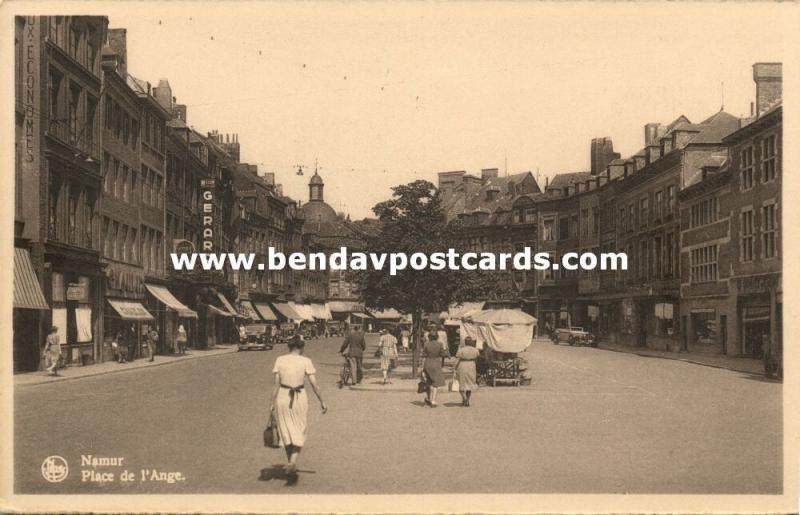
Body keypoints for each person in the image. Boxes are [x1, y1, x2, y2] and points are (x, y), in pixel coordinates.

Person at [269, 335, 327, 484]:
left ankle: (290, 462)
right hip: (299, 397)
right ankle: (293, 461)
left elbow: (276, 385)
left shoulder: (280, 360)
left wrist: (271, 403)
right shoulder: (305, 361)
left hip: (282, 396)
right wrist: (322, 401)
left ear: (289, 347)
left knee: (286, 430)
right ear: (301, 348)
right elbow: (314, 384)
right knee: (300, 429)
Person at [422, 331, 448, 407]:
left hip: (428, 362)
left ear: (429, 337)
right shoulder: (440, 344)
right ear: (437, 337)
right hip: (436, 363)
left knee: (429, 381)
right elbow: (442, 354)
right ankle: (433, 400)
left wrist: (422, 366)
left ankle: (429, 398)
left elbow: (424, 355)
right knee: (436, 383)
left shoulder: (426, 344)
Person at [453, 337, 480, 407]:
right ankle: (467, 399)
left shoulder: (461, 350)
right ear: (471, 342)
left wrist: (454, 368)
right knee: (470, 383)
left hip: (462, 365)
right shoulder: (475, 350)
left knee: (461, 383)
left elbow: (457, 359)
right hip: (471, 365)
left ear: (465, 342)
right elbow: (477, 357)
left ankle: (464, 398)